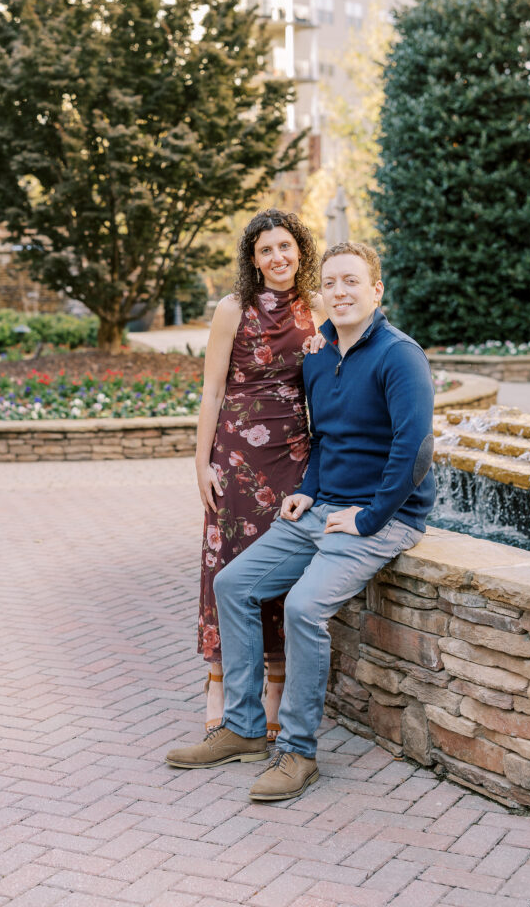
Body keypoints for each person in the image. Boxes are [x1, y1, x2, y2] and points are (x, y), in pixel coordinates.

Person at [167, 241, 435, 801]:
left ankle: (297, 752)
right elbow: (323, 439)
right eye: (332, 283)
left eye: (352, 282)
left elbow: (414, 451)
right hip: (323, 508)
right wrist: (308, 492)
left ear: (376, 290)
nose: (340, 292)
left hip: (381, 518)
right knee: (232, 583)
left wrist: (367, 519)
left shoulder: (400, 355)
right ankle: (242, 730)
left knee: (303, 607)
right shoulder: (318, 355)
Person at [195, 208, 323, 740]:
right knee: (228, 559)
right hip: (236, 455)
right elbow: (213, 391)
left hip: (293, 455)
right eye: (266, 249)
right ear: (253, 258)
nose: (278, 257)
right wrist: (200, 461)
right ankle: (218, 680)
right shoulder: (233, 309)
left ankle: (275, 678)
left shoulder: (317, 309)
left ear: (301, 252)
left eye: (286, 247)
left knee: (279, 563)